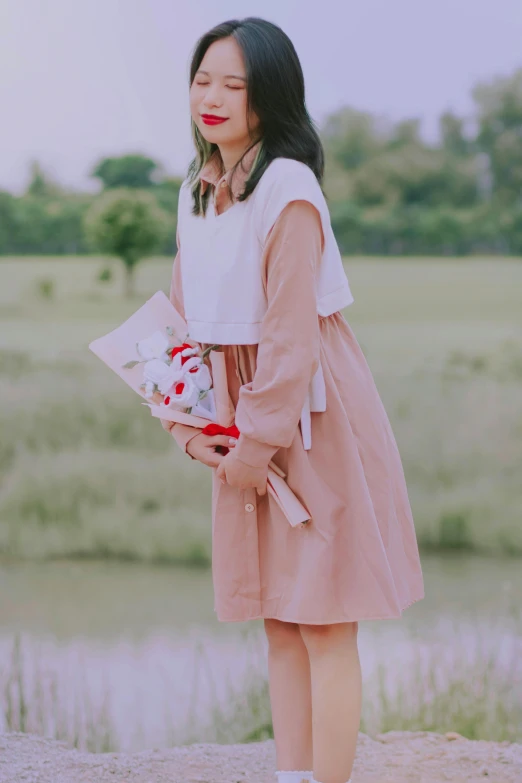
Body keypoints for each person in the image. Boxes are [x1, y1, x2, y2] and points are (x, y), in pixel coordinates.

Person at [161, 16, 425, 783]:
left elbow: (289, 336)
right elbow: (180, 320)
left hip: (308, 419)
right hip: (240, 418)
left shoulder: (288, 187)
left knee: (325, 623)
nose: (210, 96)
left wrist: (253, 444)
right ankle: (290, 775)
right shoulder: (199, 190)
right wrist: (186, 426)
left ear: (267, 98)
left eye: (233, 84)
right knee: (278, 616)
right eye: (202, 78)